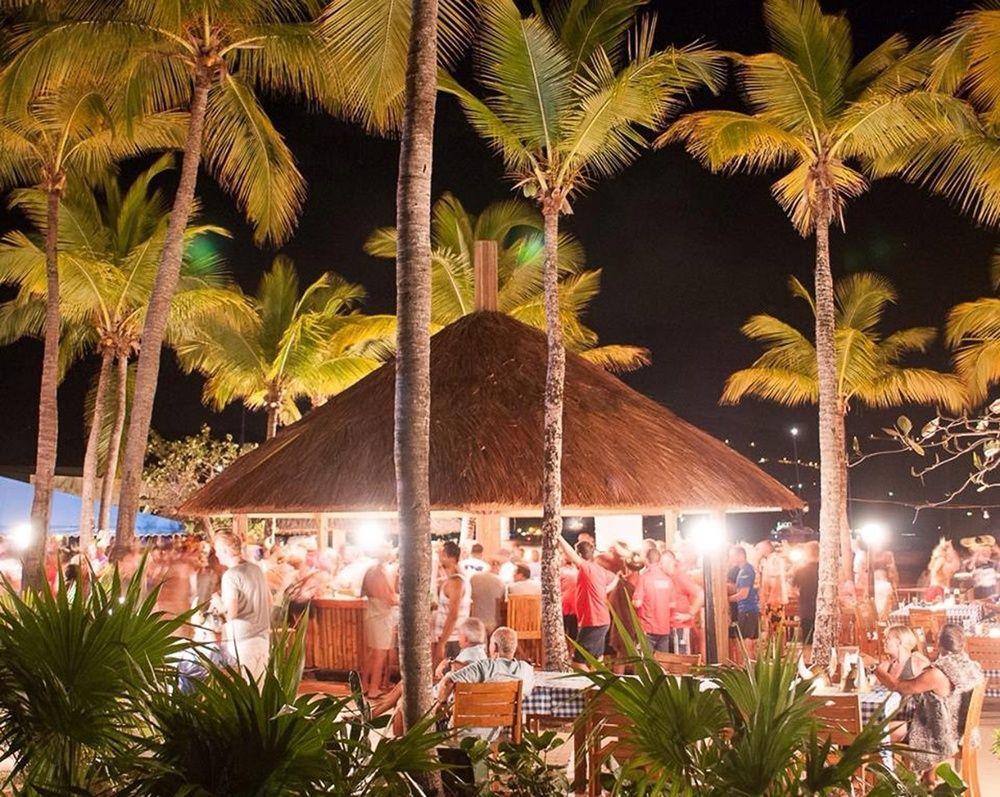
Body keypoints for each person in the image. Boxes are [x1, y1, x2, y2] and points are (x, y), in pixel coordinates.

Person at [875, 624, 984, 776]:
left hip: (940, 735)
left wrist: (878, 671)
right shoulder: (973, 668)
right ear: (962, 644)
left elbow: (899, 686)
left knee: (874, 733)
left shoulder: (937, 674)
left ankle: (882, 782)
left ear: (938, 644)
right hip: (963, 732)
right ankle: (925, 780)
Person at [437, 626, 534, 740]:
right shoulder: (526, 670)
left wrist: (441, 705)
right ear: (514, 647)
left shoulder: (485, 666)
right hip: (492, 733)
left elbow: (447, 683)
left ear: (495, 647)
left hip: (460, 732)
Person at [213, 532, 273, 684]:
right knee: (259, 690)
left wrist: (218, 603)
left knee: (246, 693)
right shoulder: (256, 569)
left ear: (226, 550)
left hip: (243, 641)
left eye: (217, 550)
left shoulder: (230, 576)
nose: (216, 554)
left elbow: (231, 614)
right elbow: (270, 601)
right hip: (263, 639)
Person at [559, 536, 618, 663]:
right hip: (601, 620)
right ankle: (601, 682)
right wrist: (611, 584)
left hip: (593, 621)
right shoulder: (599, 569)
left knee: (577, 663)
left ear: (579, 554)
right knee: (598, 660)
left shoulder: (586, 568)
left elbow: (572, 555)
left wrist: (559, 537)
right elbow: (613, 581)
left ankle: (594, 682)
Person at [360, 549, 399, 697]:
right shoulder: (380, 573)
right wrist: (402, 600)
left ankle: (363, 685)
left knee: (372, 653)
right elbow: (388, 599)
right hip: (381, 616)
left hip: (372, 613)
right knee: (380, 654)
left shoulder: (371, 570)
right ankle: (373, 689)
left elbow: (366, 592)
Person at [433, 541, 472, 664]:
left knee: (446, 678)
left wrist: (442, 643)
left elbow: (453, 615)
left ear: (447, 556)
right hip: (451, 637)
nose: (439, 558)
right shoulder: (455, 579)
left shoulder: (456, 582)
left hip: (452, 639)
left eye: (441, 554)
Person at [660, 549, 703, 655]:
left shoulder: (680, 576)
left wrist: (689, 614)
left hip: (680, 626)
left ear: (672, 562)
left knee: (682, 659)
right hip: (669, 626)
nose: (663, 566)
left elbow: (700, 594)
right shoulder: (666, 577)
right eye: (662, 563)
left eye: (665, 563)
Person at [632, 547, 675, 652]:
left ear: (646, 560)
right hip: (664, 628)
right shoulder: (668, 580)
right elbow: (672, 604)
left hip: (647, 628)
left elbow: (637, 603)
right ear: (659, 560)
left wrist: (631, 601)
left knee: (646, 665)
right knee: (662, 664)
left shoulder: (644, 578)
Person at [727, 545, 759, 659]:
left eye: (732, 556)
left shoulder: (746, 570)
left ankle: (747, 668)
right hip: (749, 609)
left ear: (741, 556)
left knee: (746, 641)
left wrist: (727, 600)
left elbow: (743, 594)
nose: (730, 558)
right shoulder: (743, 570)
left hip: (747, 610)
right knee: (749, 641)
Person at [791, 541, 819, 654]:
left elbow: (793, 589)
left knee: (808, 640)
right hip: (822, 609)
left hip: (806, 608)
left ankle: (808, 662)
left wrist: (800, 596)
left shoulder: (801, 570)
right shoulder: (825, 569)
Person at [469, 558, 506, 635]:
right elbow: (502, 600)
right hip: (493, 623)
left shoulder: (474, 577)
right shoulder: (501, 581)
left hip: (475, 621)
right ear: (499, 568)